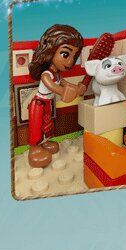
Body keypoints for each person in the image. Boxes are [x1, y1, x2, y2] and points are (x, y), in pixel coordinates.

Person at [25, 25, 86, 168]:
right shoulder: (46, 74)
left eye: (74, 56)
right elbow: (55, 88)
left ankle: (44, 143)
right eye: (65, 54)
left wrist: (78, 89)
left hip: (47, 104)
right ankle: (34, 149)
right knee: (36, 126)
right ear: (50, 51)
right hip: (38, 104)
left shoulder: (57, 74)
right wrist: (65, 92)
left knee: (47, 125)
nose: (70, 61)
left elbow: (66, 84)